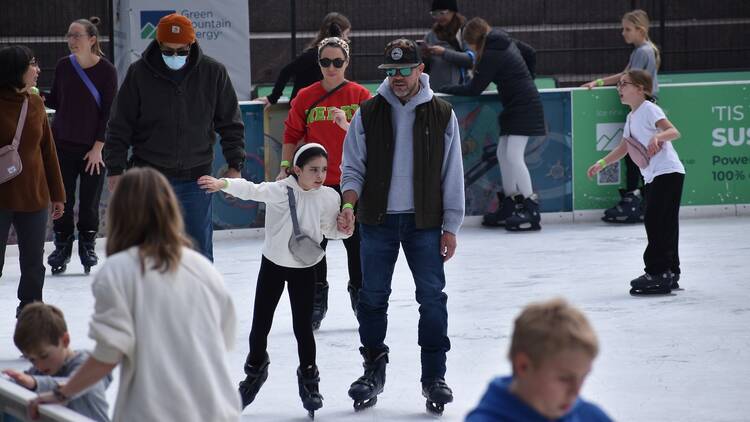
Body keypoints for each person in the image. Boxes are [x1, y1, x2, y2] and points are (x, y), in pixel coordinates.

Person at [29, 167, 241, 421]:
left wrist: (62, 392)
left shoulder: (118, 272)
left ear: (121, 213)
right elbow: (225, 339)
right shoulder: (203, 269)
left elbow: (109, 353)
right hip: (219, 410)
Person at [339, 38, 465, 415]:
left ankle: (434, 377)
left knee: (432, 299)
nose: (396, 77)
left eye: (404, 70)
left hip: (424, 223)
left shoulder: (442, 113)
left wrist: (451, 225)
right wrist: (348, 204)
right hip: (376, 221)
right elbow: (352, 166)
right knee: (372, 298)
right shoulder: (369, 112)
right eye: (391, 71)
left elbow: (452, 173)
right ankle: (372, 371)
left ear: (420, 71)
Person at [198, 143, 352, 418]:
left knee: (303, 329)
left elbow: (330, 231)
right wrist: (222, 183)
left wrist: (345, 230)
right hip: (273, 265)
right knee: (260, 325)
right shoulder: (281, 190)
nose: (319, 175)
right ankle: (255, 372)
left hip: (306, 268)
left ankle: (309, 380)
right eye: (313, 170)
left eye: (324, 170)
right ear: (296, 169)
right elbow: (251, 189)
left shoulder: (329, 196)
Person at [104, 13, 245, 261]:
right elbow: (119, 126)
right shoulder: (139, 74)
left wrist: (235, 166)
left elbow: (231, 124)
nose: (175, 56)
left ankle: (198, 299)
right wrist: (115, 170)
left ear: (192, 45)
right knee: (149, 250)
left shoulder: (213, 73)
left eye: (182, 50)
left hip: (197, 178)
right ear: (158, 45)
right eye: (168, 50)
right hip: (151, 178)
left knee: (198, 252)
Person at [278, 36, 371, 330]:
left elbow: (375, 137)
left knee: (355, 242)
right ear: (318, 63)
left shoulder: (360, 96)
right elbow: (292, 134)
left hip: (351, 182)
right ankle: (317, 298)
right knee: (315, 243)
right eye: (325, 62)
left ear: (347, 62)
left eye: (337, 62)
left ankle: (361, 295)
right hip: (316, 184)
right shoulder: (306, 97)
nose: (331, 67)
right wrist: (285, 168)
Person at [441, 17, 546, 232]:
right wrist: (527, 77)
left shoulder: (492, 52)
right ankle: (510, 203)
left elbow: (474, 88)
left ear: (473, 42)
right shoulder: (503, 41)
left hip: (524, 105)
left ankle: (531, 207)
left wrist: (444, 88)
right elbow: (531, 53)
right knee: (503, 154)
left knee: (514, 155)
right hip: (518, 103)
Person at [587, 70, 683, 295]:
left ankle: (657, 272)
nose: (619, 88)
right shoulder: (631, 117)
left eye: (624, 84)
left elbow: (673, 131)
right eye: (618, 84)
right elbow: (624, 147)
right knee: (665, 223)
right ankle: (670, 271)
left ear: (640, 89)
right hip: (654, 175)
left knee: (655, 220)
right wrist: (602, 162)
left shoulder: (650, 109)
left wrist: (658, 136)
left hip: (667, 171)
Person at [44, 17, 118, 275]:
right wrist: (34, 93)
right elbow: (56, 99)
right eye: (69, 35)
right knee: (62, 199)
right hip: (63, 144)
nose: (71, 40)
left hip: (93, 149)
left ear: (92, 39)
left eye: (77, 35)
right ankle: (62, 245)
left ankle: (87, 245)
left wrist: (98, 147)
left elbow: (109, 113)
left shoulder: (106, 70)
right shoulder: (64, 66)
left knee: (89, 202)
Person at [465, 298, 612, 421]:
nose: (576, 391)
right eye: (565, 379)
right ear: (523, 366)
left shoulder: (590, 416)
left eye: (583, 377)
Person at [0, 45, 65, 317]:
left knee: (33, 266)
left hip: (35, 196)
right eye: (32, 65)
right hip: (2, 198)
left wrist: (57, 194)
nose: (38, 70)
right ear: (16, 71)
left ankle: (31, 316)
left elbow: (48, 151)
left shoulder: (35, 103)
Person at [583, 9, 661, 224]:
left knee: (635, 153)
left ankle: (635, 198)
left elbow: (626, 79)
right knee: (636, 152)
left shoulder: (643, 52)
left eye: (627, 29)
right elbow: (625, 76)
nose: (623, 33)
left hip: (644, 106)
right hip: (643, 105)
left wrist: (601, 82)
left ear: (640, 30)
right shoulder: (642, 51)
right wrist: (599, 82)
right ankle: (640, 198)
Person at [3, 303, 111, 421]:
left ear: (65, 341)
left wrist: (34, 383)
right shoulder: (42, 370)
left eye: (44, 356)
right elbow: (20, 383)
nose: (39, 365)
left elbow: (72, 383)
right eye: (32, 360)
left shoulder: (85, 365)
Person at [258, 12, 352, 108]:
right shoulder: (314, 54)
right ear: (338, 34)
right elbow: (286, 71)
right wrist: (273, 98)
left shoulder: (318, 54)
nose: (348, 39)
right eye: (346, 34)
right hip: (304, 109)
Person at [420, 0, 474, 90]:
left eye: (442, 13)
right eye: (434, 14)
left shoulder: (464, 31)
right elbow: (425, 67)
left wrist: (444, 52)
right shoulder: (431, 35)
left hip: (459, 88)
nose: (438, 17)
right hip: (435, 89)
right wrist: (425, 56)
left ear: (453, 12)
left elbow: (471, 60)